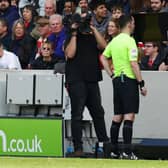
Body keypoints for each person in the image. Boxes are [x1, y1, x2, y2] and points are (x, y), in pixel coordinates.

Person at [101, 15, 147, 159]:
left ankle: (113, 151)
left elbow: (102, 57)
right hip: (128, 80)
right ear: (129, 24)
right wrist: (141, 83)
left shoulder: (115, 41)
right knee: (129, 115)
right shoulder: (130, 41)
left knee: (118, 115)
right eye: (133, 22)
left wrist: (111, 74)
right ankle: (127, 152)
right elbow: (134, 64)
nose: (134, 25)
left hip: (117, 81)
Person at [64, 15, 109, 157]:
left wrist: (93, 28)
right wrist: (74, 33)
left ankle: (105, 145)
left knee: (98, 112)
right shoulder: (69, 37)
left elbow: (104, 47)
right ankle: (78, 148)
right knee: (77, 114)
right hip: (76, 80)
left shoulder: (92, 37)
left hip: (92, 79)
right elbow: (70, 54)